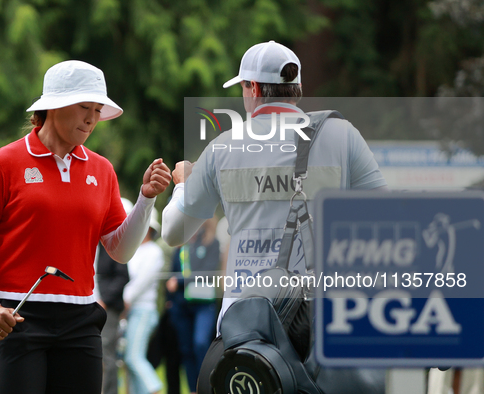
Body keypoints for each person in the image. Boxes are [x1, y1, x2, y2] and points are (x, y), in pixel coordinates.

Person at [161, 41, 388, 394]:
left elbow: (173, 232)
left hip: (247, 331)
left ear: (252, 89)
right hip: (326, 326)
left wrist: (181, 186)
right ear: (296, 89)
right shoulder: (343, 137)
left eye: (242, 89)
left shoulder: (222, 147)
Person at [0, 60, 171, 394]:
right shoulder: (3, 163)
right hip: (15, 317)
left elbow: (120, 250)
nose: (91, 118)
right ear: (53, 107)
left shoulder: (101, 169)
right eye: (84, 106)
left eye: (98, 110)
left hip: (80, 319)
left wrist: (146, 199)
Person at [166, 218, 220, 394]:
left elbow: (208, 272)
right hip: (181, 306)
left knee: (200, 343)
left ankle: (207, 386)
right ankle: (192, 389)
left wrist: (180, 281)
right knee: (186, 349)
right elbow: (172, 270)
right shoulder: (182, 244)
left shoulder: (212, 242)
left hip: (203, 304)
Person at [123, 209, 164, 394]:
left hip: (143, 311)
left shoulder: (154, 252)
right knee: (128, 360)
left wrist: (124, 300)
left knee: (133, 357)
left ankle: (154, 389)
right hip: (129, 312)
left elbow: (140, 283)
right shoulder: (133, 251)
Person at [95, 198, 132, 394]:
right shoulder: (94, 244)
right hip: (92, 305)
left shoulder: (114, 243)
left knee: (106, 356)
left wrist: (105, 301)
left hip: (107, 309)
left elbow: (123, 277)